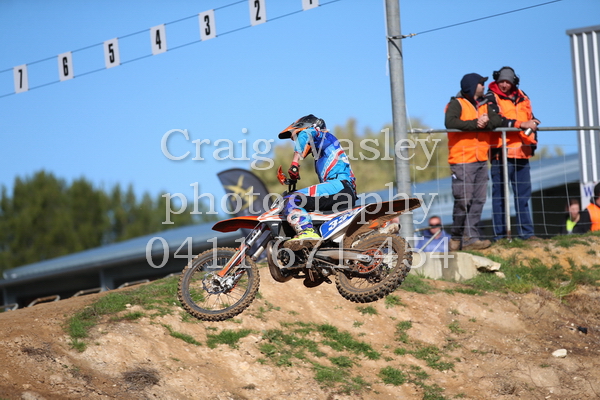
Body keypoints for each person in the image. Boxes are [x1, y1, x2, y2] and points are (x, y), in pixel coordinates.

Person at [278, 114, 357, 250]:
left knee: (292, 199)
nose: (297, 142)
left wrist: (295, 163)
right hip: (342, 190)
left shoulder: (325, 136)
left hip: (339, 186)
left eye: (296, 137)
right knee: (304, 205)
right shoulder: (323, 151)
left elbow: (306, 134)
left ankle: (307, 231)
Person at [445, 73, 501, 251]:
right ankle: (456, 237)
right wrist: (476, 123)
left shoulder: (486, 104)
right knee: (463, 200)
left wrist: (486, 121)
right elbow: (450, 122)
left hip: (481, 159)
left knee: (478, 200)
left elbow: (497, 120)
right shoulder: (456, 103)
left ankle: (470, 238)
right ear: (471, 86)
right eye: (481, 83)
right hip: (462, 159)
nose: (484, 86)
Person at [485, 66, 540, 240]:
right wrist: (520, 124)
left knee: (523, 196)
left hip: (522, 152)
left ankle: (527, 234)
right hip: (501, 153)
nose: (504, 85)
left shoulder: (523, 96)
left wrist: (534, 123)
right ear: (496, 80)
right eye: (501, 81)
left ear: (514, 82)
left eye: (508, 82)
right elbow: (495, 120)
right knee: (500, 197)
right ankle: (501, 237)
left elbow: (530, 117)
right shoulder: (490, 96)